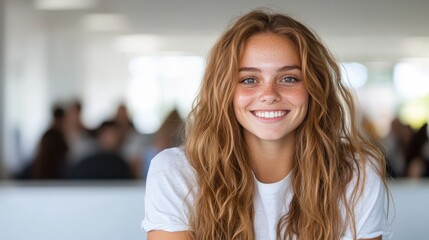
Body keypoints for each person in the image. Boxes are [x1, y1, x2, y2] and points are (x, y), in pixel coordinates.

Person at [142, 9, 391, 240]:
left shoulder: (356, 173)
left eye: (289, 78)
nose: (269, 94)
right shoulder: (176, 172)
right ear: (223, 91)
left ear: (315, 89)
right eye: (249, 79)